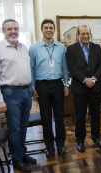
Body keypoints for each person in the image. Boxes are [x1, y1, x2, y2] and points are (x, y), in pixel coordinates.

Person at [0, 19, 36, 172]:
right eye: (9, 29)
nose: (13, 31)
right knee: (14, 128)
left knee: (23, 126)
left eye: (15, 28)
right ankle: (16, 159)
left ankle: (22, 154)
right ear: (3, 31)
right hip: (10, 93)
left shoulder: (24, 47)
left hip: (26, 91)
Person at [29, 19, 69, 158]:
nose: (48, 30)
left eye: (51, 28)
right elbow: (31, 69)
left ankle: (61, 144)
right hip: (42, 85)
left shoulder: (61, 47)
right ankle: (49, 146)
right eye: (45, 28)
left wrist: (66, 84)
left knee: (59, 116)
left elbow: (64, 67)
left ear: (54, 30)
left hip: (58, 84)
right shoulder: (33, 48)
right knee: (46, 117)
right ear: (41, 30)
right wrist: (33, 87)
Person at [66, 25, 101, 152]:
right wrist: (84, 79)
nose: (85, 36)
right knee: (80, 116)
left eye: (87, 33)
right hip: (79, 88)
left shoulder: (97, 48)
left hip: (95, 87)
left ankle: (96, 137)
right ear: (78, 35)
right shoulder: (71, 49)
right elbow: (71, 67)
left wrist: (93, 79)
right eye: (82, 34)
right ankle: (80, 140)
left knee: (96, 115)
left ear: (90, 34)